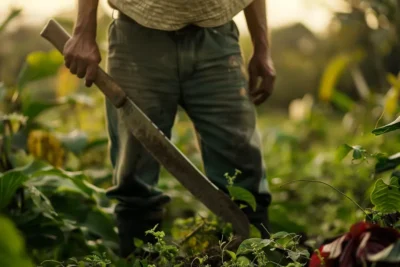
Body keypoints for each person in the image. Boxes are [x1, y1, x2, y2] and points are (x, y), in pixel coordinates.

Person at [64, 0, 276, 258]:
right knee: (134, 177)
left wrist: (262, 47)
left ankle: (253, 258)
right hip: (137, 39)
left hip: (216, 41)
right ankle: (139, 260)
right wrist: (82, 32)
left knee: (244, 171)